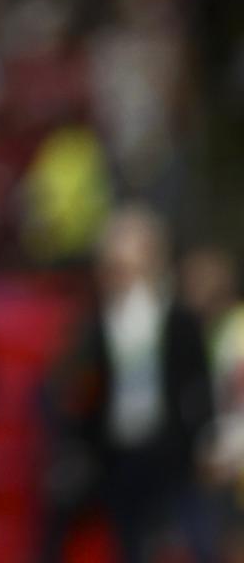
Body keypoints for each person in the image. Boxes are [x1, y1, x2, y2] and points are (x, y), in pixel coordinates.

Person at [36, 204, 214, 563]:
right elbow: (66, 390)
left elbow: (198, 391)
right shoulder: (94, 326)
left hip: (169, 457)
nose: (123, 280)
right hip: (110, 455)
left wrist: (196, 442)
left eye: (133, 268)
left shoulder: (181, 324)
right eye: (115, 270)